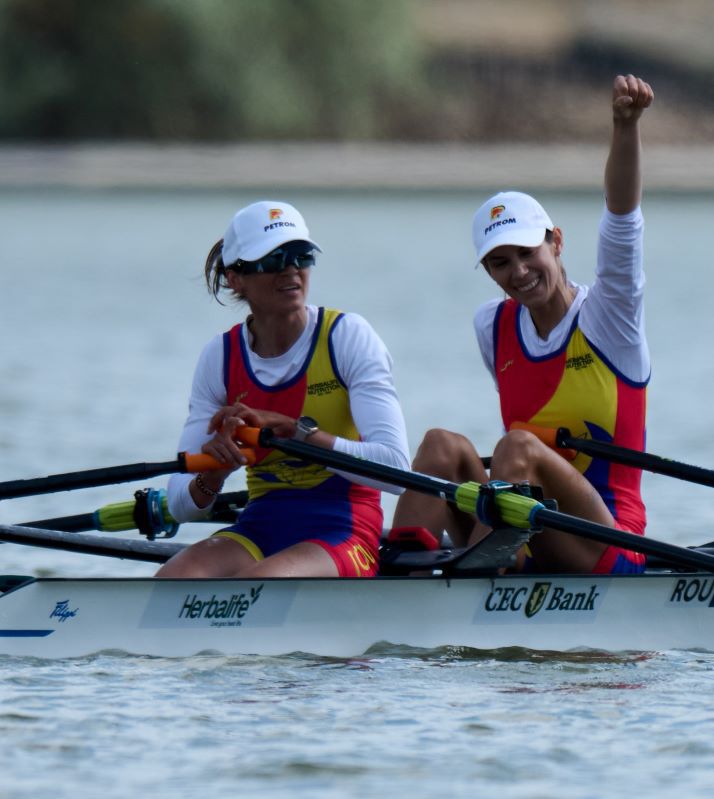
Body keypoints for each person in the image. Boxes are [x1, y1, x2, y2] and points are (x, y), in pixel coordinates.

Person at [390, 74, 654, 574]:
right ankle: (401, 569)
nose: (519, 272)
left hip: (607, 539)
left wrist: (625, 126)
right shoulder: (492, 325)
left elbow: (623, 219)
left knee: (517, 447)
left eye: (527, 252)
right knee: (440, 445)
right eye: (500, 263)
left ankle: (486, 568)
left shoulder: (611, 314)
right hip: (529, 523)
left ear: (556, 241)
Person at [157, 200, 410, 578]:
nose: (291, 269)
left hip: (345, 528)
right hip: (261, 527)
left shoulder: (347, 336)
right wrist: (216, 472)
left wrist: (299, 434)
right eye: (273, 260)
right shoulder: (220, 357)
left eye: (300, 255)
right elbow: (180, 505)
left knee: (258, 584)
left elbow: (395, 470)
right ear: (235, 278)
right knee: (174, 580)